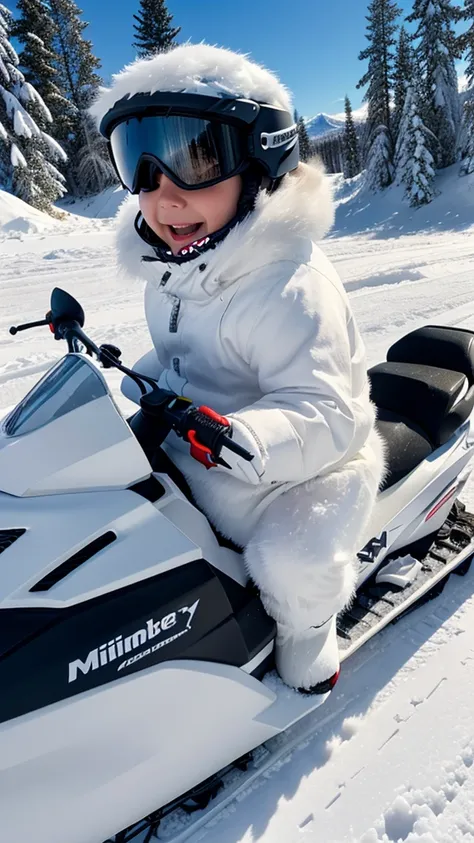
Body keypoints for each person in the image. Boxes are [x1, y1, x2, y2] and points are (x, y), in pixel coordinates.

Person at [91, 43, 386, 694]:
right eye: (138, 165)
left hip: (300, 475)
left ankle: (310, 655)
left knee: (293, 561)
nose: (163, 198)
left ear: (259, 161)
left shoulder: (287, 287)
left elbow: (332, 414)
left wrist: (247, 439)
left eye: (195, 159)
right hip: (204, 446)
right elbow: (185, 358)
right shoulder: (171, 272)